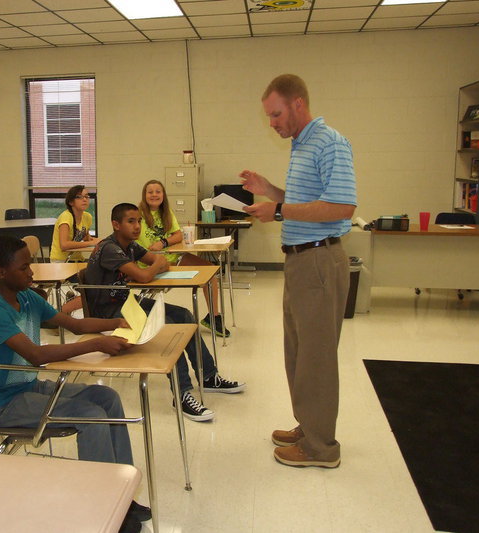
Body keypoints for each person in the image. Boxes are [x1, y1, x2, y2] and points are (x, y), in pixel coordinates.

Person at [0, 235, 150, 531]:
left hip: (28, 388)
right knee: (91, 417)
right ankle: (102, 504)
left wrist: (117, 324)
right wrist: (94, 345)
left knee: (107, 397)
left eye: (30, 265)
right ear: (0, 272)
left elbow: (75, 324)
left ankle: (120, 492)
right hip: (5, 403)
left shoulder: (27, 297)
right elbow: (36, 355)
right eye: (24, 267)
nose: (32, 272)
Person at [239, 74, 356, 468]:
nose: (271, 122)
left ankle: (321, 448)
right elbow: (306, 202)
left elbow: (341, 208)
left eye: (276, 114)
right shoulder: (302, 145)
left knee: (317, 356)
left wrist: (280, 211)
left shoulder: (330, 142)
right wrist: (270, 191)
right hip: (302, 261)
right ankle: (309, 427)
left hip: (320, 260)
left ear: (298, 104)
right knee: (300, 352)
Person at [85, 203, 246, 422]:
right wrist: (148, 271)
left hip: (127, 304)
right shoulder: (110, 248)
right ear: (116, 224)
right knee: (169, 324)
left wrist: (149, 269)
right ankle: (181, 394)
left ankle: (208, 376)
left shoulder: (130, 246)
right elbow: (144, 276)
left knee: (184, 315)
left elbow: (160, 260)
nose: (137, 226)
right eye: (130, 221)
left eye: (139, 221)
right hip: (109, 314)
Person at [136, 179, 231, 337]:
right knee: (206, 273)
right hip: (152, 262)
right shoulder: (138, 214)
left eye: (158, 191)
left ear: (163, 195)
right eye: (150, 192)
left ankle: (214, 317)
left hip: (174, 257)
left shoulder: (166, 212)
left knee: (210, 272)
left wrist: (163, 242)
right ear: (144, 195)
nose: (154, 195)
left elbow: (178, 235)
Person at [49, 185, 100, 314]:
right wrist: (87, 245)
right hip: (61, 263)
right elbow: (64, 245)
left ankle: (69, 304)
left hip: (76, 261)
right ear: (71, 202)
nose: (85, 199)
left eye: (87, 196)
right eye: (79, 197)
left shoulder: (87, 217)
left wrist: (105, 241)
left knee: (98, 283)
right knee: (90, 290)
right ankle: (58, 315)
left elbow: (88, 239)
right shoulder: (66, 217)